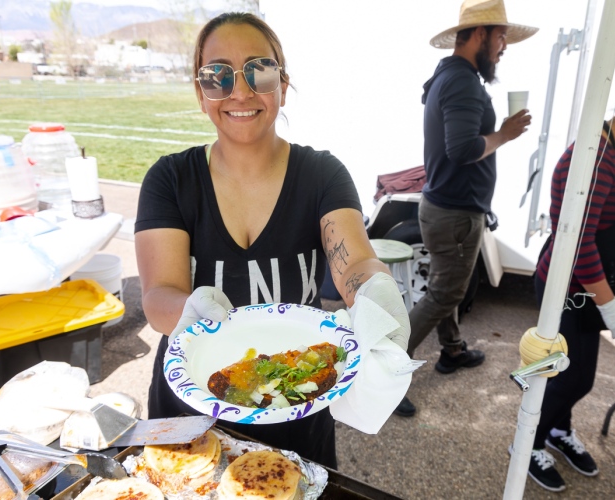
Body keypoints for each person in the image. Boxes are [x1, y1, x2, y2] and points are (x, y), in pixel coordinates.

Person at [134, 12, 410, 469]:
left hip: (294, 405)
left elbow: (354, 262)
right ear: (201, 92)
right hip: (191, 409)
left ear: (283, 82)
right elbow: (158, 292)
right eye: (217, 75)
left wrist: (375, 289)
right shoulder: (170, 179)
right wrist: (186, 311)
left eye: (259, 71)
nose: (240, 92)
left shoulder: (322, 174)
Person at [393, 0, 537, 418]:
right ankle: (386, 373)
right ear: (479, 34)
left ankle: (452, 351)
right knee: (443, 293)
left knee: (446, 286)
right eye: (501, 36)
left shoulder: (448, 75)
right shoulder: (463, 84)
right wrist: (504, 135)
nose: (504, 46)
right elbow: (462, 150)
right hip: (455, 212)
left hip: (443, 206)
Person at [528, 86, 615, 492]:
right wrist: (610, 305)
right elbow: (575, 240)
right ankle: (527, 444)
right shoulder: (592, 159)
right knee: (568, 378)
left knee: (577, 375)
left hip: (588, 292)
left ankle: (558, 432)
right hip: (569, 292)